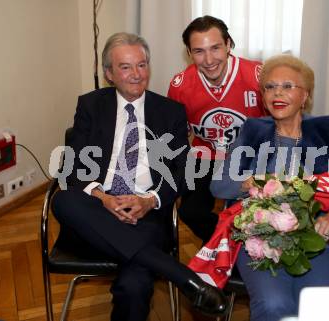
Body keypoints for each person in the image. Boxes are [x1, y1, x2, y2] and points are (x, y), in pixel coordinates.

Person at [51, 32, 227, 321]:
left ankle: (169, 270)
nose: (136, 75)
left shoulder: (169, 111)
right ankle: (186, 279)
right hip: (95, 214)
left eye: (142, 65)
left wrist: (150, 200)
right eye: (125, 67)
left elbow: (181, 172)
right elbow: (72, 168)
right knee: (64, 201)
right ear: (109, 73)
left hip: (145, 215)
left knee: (135, 284)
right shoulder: (91, 106)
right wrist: (103, 198)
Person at [210, 54, 329, 320]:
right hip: (260, 236)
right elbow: (219, 185)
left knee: (315, 307)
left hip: (321, 236)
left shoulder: (327, 130)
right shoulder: (252, 131)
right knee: (274, 304)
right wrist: (256, 181)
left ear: (305, 95)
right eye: (269, 87)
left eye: (287, 86)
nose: (277, 94)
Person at [168, 15, 266, 243]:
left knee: (256, 209)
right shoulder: (180, 86)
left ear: (229, 44)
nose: (209, 59)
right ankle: (225, 242)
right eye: (199, 51)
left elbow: (279, 125)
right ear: (189, 53)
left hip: (252, 157)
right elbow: (178, 136)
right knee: (189, 211)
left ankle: (245, 247)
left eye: (216, 48)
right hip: (206, 155)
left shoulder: (257, 76)